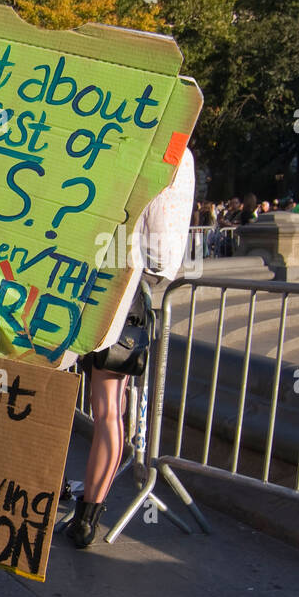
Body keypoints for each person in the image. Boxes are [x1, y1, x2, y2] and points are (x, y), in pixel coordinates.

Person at [66, 152, 195, 546]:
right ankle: (87, 513)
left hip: (79, 278)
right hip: (115, 286)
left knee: (83, 402)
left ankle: (68, 505)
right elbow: (162, 255)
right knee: (107, 409)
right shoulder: (171, 149)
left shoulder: (133, 138)